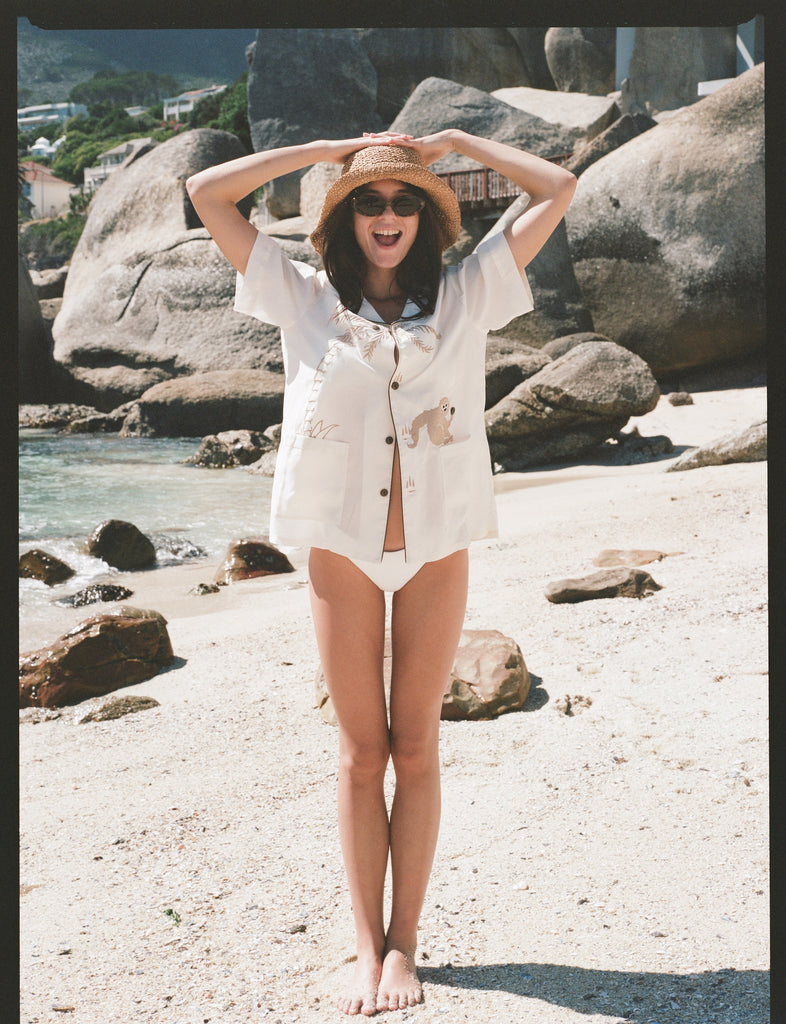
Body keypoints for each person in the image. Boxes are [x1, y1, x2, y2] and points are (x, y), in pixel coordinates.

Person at [186, 128, 576, 1016]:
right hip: (341, 548)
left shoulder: (469, 292)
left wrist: (455, 143)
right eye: (369, 201)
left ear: (425, 218)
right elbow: (209, 193)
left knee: (418, 746)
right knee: (363, 754)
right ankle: (367, 949)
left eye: (403, 201)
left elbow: (558, 185)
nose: (388, 215)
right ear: (346, 216)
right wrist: (323, 150)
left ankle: (408, 947)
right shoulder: (302, 297)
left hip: (436, 544)